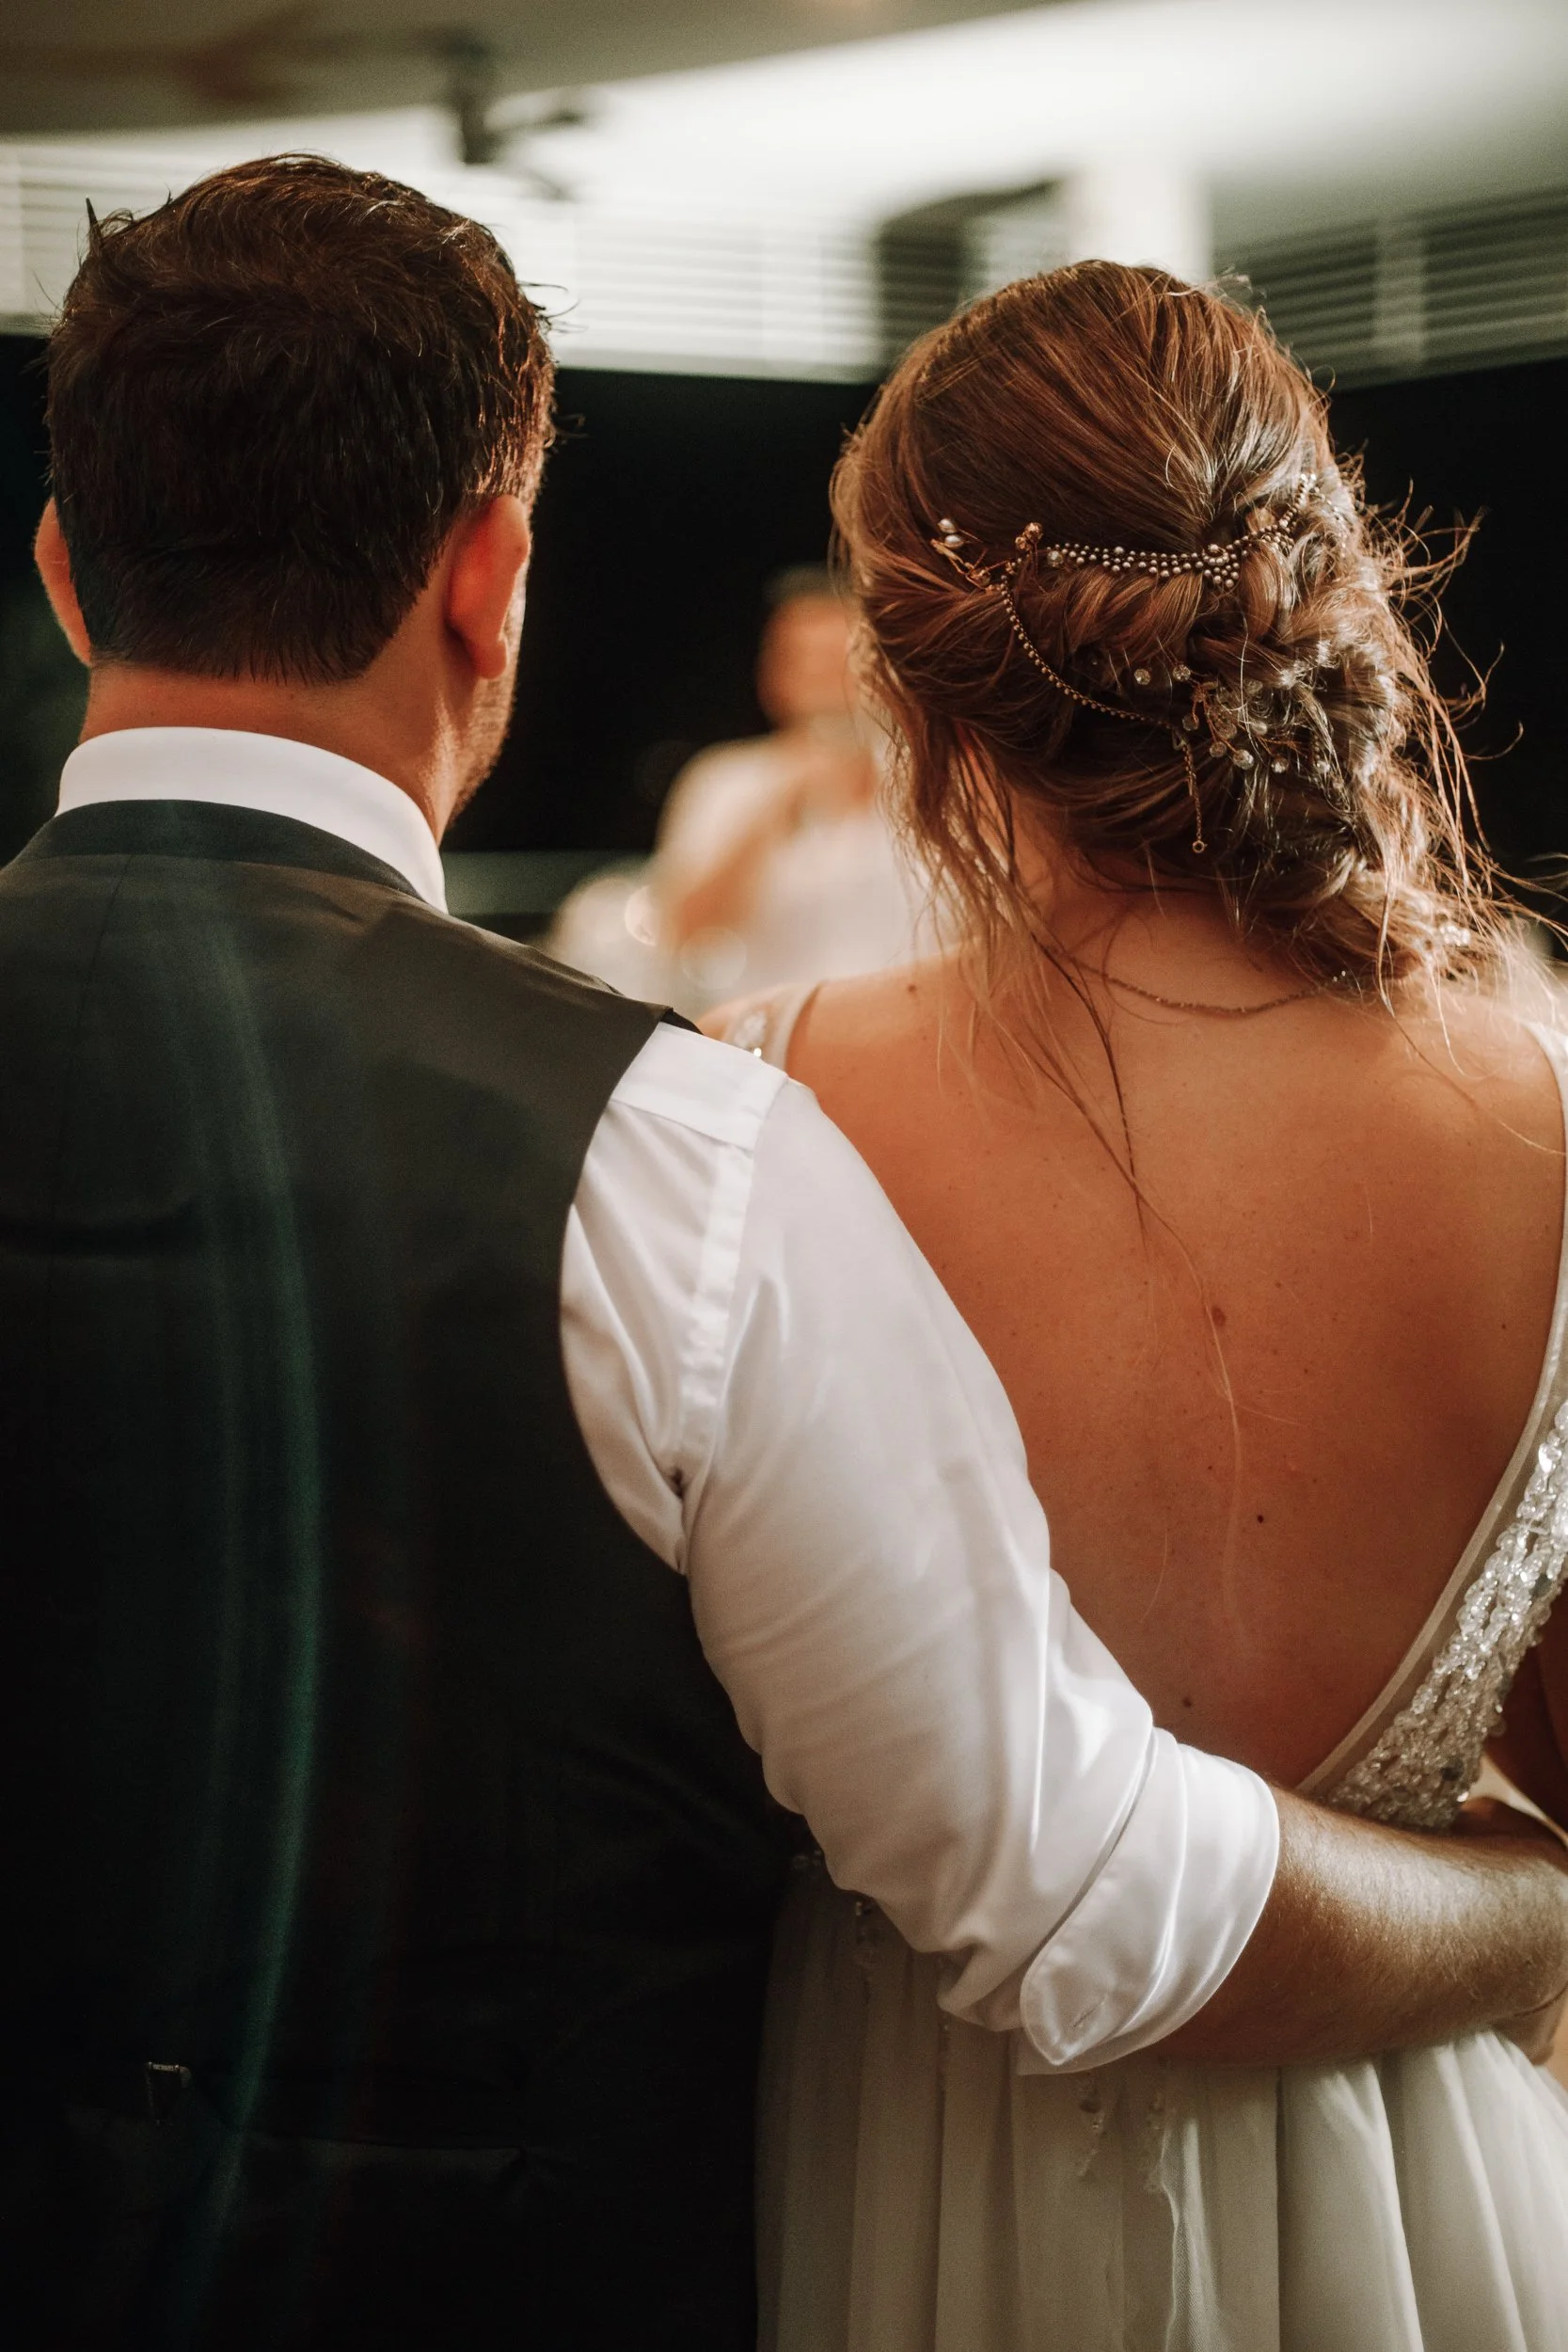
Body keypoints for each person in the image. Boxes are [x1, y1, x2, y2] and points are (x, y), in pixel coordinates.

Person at [1, 166, 1563, 2352]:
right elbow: (1066, 1879)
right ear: (491, 576)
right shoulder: (671, 1151)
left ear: (67, 570)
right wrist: (1521, 1923)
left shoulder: (762, 1090)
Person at [706, 263, 1568, 2350]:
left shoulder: (741, 1099)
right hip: (1416, 2192)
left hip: (901, 2175)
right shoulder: (1539, 1111)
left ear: (909, 692)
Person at [546, 570, 929, 1012]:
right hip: (765, 1040)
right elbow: (682, 930)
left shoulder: (931, 782)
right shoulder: (724, 779)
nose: (825, 680)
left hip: (902, 1032)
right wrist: (775, 812)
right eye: (804, 661)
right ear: (774, 675)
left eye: (839, 659)